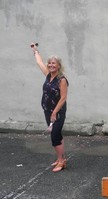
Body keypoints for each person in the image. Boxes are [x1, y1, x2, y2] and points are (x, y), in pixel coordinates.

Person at [30, 43, 69, 173]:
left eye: (54, 63)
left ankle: (62, 162)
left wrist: (55, 113)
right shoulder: (48, 75)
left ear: (59, 66)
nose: (51, 65)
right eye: (50, 63)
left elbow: (63, 98)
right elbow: (39, 62)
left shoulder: (61, 80)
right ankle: (60, 158)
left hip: (57, 111)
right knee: (56, 134)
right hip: (47, 110)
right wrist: (35, 51)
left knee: (55, 136)